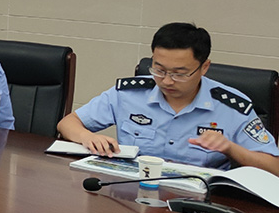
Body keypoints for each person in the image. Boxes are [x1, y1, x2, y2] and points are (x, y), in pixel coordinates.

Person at [57, 22, 279, 175]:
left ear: (204, 67)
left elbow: (274, 166)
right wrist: (87, 137)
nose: (167, 81)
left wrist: (231, 148)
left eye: (179, 74)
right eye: (159, 69)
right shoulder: (128, 94)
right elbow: (68, 123)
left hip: (197, 206)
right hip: (130, 192)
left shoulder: (231, 106)